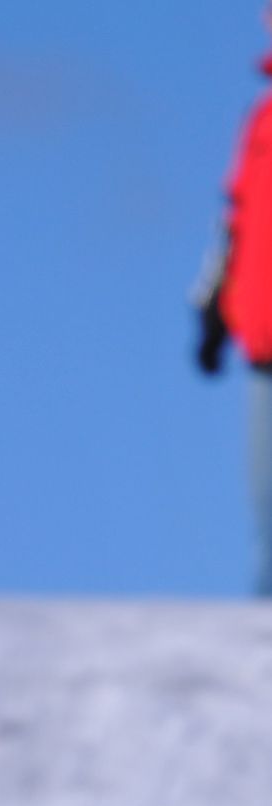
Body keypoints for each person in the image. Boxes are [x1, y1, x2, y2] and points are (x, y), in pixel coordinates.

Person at [196, 24, 272, 593]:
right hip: (263, 337)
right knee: (268, 510)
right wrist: (213, 307)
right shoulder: (261, 124)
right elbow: (237, 221)